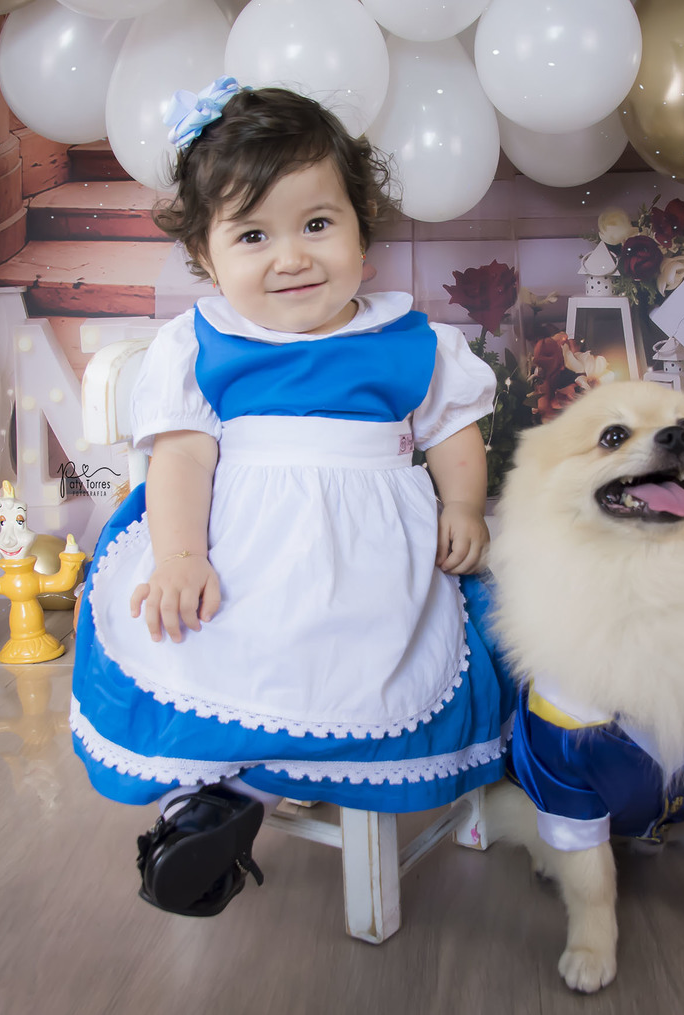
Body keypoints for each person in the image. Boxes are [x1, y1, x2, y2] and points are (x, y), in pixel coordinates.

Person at [70, 78, 515, 917]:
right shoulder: (203, 342)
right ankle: (200, 803)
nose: (292, 257)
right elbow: (181, 458)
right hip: (239, 550)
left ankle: (232, 802)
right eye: (253, 235)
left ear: (360, 226)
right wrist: (180, 555)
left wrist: (462, 506)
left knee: (356, 662)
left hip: (370, 561)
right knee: (213, 647)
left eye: (317, 224)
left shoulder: (410, 340)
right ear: (206, 257)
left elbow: (455, 433)